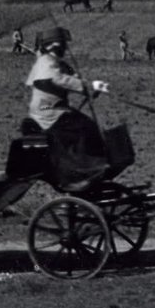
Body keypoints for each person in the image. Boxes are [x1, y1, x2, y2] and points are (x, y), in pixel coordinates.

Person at [24, 26, 112, 192]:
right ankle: (80, 173)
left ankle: (89, 169)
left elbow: (68, 78)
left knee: (88, 126)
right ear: (52, 46)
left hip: (56, 109)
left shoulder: (53, 61)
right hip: (48, 112)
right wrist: (88, 85)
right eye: (61, 45)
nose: (64, 48)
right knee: (84, 128)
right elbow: (59, 80)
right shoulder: (45, 62)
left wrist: (90, 86)